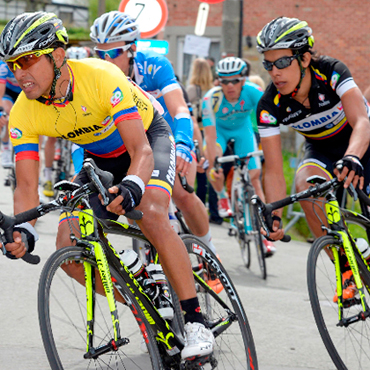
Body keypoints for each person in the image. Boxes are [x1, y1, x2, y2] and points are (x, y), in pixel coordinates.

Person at [0, 11, 214, 361]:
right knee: (67, 248)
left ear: (57, 55)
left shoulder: (101, 75)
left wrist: (132, 186)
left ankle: (195, 319)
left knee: (151, 212)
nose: (18, 72)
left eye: (26, 59)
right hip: (98, 158)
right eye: (11, 64)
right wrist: (23, 228)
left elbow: (140, 150)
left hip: (147, 139)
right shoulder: (24, 111)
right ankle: (142, 293)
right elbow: (26, 185)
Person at [256, 17, 370, 298]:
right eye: (268, 64)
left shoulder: (331, 71)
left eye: (282, 62)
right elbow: (273, 170)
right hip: (321, 151)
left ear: (304, 58)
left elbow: (362, 123)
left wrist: (353, 156)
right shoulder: (269, 105)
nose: (275, 72)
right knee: (305, 187)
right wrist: (276, 215)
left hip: (361, 144)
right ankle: (345, 268)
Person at [90, 11, 217, 257]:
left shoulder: (154, 64)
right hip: (134, 142)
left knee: (181, 193)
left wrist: (182, 144)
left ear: (131, 49)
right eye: (99, 54)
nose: (105, 60)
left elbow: (180, 108)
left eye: (113, 53)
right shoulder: (97, 75)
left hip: (167, 134)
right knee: (135, 202)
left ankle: (209, 252)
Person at [202, 56, 276, 256]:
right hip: (219, 132)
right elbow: (209, 137)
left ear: (244, 80)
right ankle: (222, 197)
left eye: (235, 80)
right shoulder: (211, 99)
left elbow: (269, 119)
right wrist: (213, 163)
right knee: (213, 160)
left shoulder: (253, 92)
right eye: (224, 81)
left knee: (254, 179)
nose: (230, 86)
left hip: (243, 131)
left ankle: (265, 233)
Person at [0, 60, 21, 168]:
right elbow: (0, 91)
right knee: (7, 112)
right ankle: (6, 149)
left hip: (25, 92)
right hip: (9, 92)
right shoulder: (3, 66)